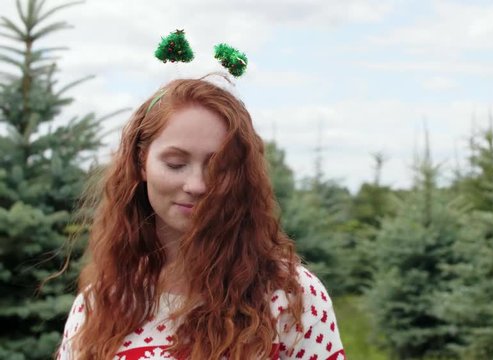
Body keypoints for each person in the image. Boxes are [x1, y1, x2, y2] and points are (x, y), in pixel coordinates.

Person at [57, 77, 346, 360]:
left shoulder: (291, 296)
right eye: (176, 164)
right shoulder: (101, 303)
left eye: (217, 167)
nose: (197, 185)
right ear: (141, 162)